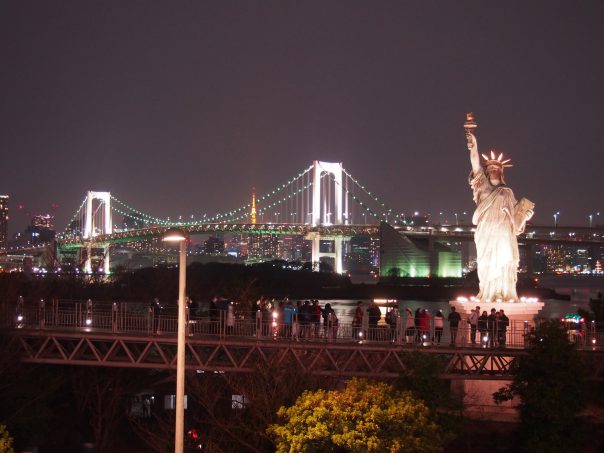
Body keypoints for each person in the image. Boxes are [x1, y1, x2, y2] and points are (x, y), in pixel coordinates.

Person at [466, 127, 534, 302]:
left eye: (496, 168)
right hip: (486, 231)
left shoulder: (507, 192)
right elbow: (475, 162)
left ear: (501, 171)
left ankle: (503, 292)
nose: (492, 170)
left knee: (504, 260)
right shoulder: (482, 186)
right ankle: (488, 292)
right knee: (488, 261)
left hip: (504, 231)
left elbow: (516, 221)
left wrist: (524, 217)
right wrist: (474, 145)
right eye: (490, 168)